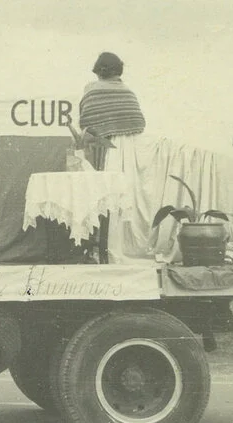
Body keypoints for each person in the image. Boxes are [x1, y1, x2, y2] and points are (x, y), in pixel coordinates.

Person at [79, 52, 150, 264]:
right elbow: (138, 123)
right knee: (123, 197)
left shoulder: (91, 90)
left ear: (98, 70)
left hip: (103, 149)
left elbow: (87, 125)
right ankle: (115, 246)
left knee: (99, 195)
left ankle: (100, 248)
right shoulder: (128, 92)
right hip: (128, 149)